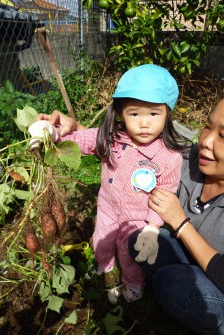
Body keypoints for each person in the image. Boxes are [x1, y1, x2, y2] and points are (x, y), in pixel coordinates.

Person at [34, 64, 186, 303]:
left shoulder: (169, 157)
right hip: (107, 207)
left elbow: (165, 194)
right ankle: (104, 266)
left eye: (154, 114)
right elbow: (82, 139)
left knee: (129, 255)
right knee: (101, 241)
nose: (144, 123)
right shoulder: (113, 137)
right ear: (120, 113)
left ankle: (133, 284)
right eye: (134, 114)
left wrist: (152, 227)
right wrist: (52, 135)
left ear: (167, 113)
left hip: (135, 218)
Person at [128, 98, 224, 333]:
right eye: (208, 126)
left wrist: (181, 224)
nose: (206, 141)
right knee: (137, 238)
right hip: (194, 261)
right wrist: (75, 132)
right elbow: (143, 134)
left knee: (172, 284)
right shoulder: (189, 159)